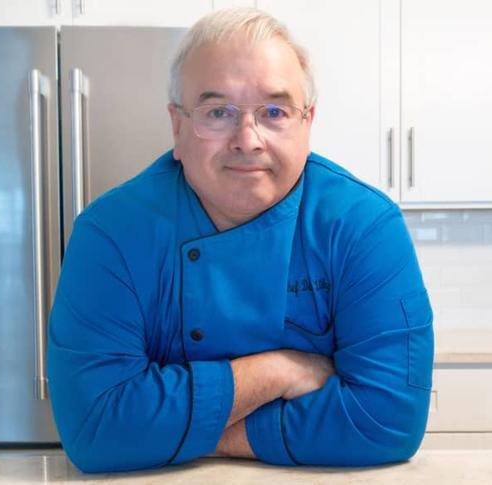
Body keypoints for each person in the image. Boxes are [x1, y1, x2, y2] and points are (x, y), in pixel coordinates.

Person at [47, 7, 434, 474]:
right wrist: (277, 372)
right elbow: (95, 428)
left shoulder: (363, 227)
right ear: (177, 126)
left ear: (307, 123)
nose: (247, 140)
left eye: (274, 112)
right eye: (218, 113)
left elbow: (387, 421)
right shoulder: (112, 234)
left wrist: (183, 434)